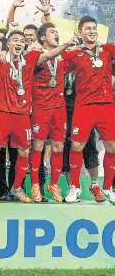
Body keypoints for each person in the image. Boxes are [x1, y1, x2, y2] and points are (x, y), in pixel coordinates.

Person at [0, 4, 76, 203]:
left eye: (21, 41)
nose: (18, 43)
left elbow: (50, 54)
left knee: (25, 151)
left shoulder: (31, 60)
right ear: (8, 44)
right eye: (14, 40)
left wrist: (67, 44)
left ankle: (17, 188)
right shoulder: (0, 61)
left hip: (23, 116)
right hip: (3, 114)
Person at [64, 16, 115, 204]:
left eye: (94, 28)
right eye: (87, 28)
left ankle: (108, 187)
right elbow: (54, 63)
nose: (92, 31)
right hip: (83, 107)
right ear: (80, 32)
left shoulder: (108, 50)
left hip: (106, 107)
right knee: (77, 146)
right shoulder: (75, 54)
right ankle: (74, 188)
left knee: (113, 148)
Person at [29, 23, 67, 202]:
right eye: (52, 32)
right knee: (37, 146)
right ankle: (35, 184)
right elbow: (47, 55)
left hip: (59, 108)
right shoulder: (36, 53)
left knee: (59, 146)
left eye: (56, 31)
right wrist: (67, 44)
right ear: (43, 37)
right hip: (41, 108)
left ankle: (54, 183)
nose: (56, 34)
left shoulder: (64, 57)